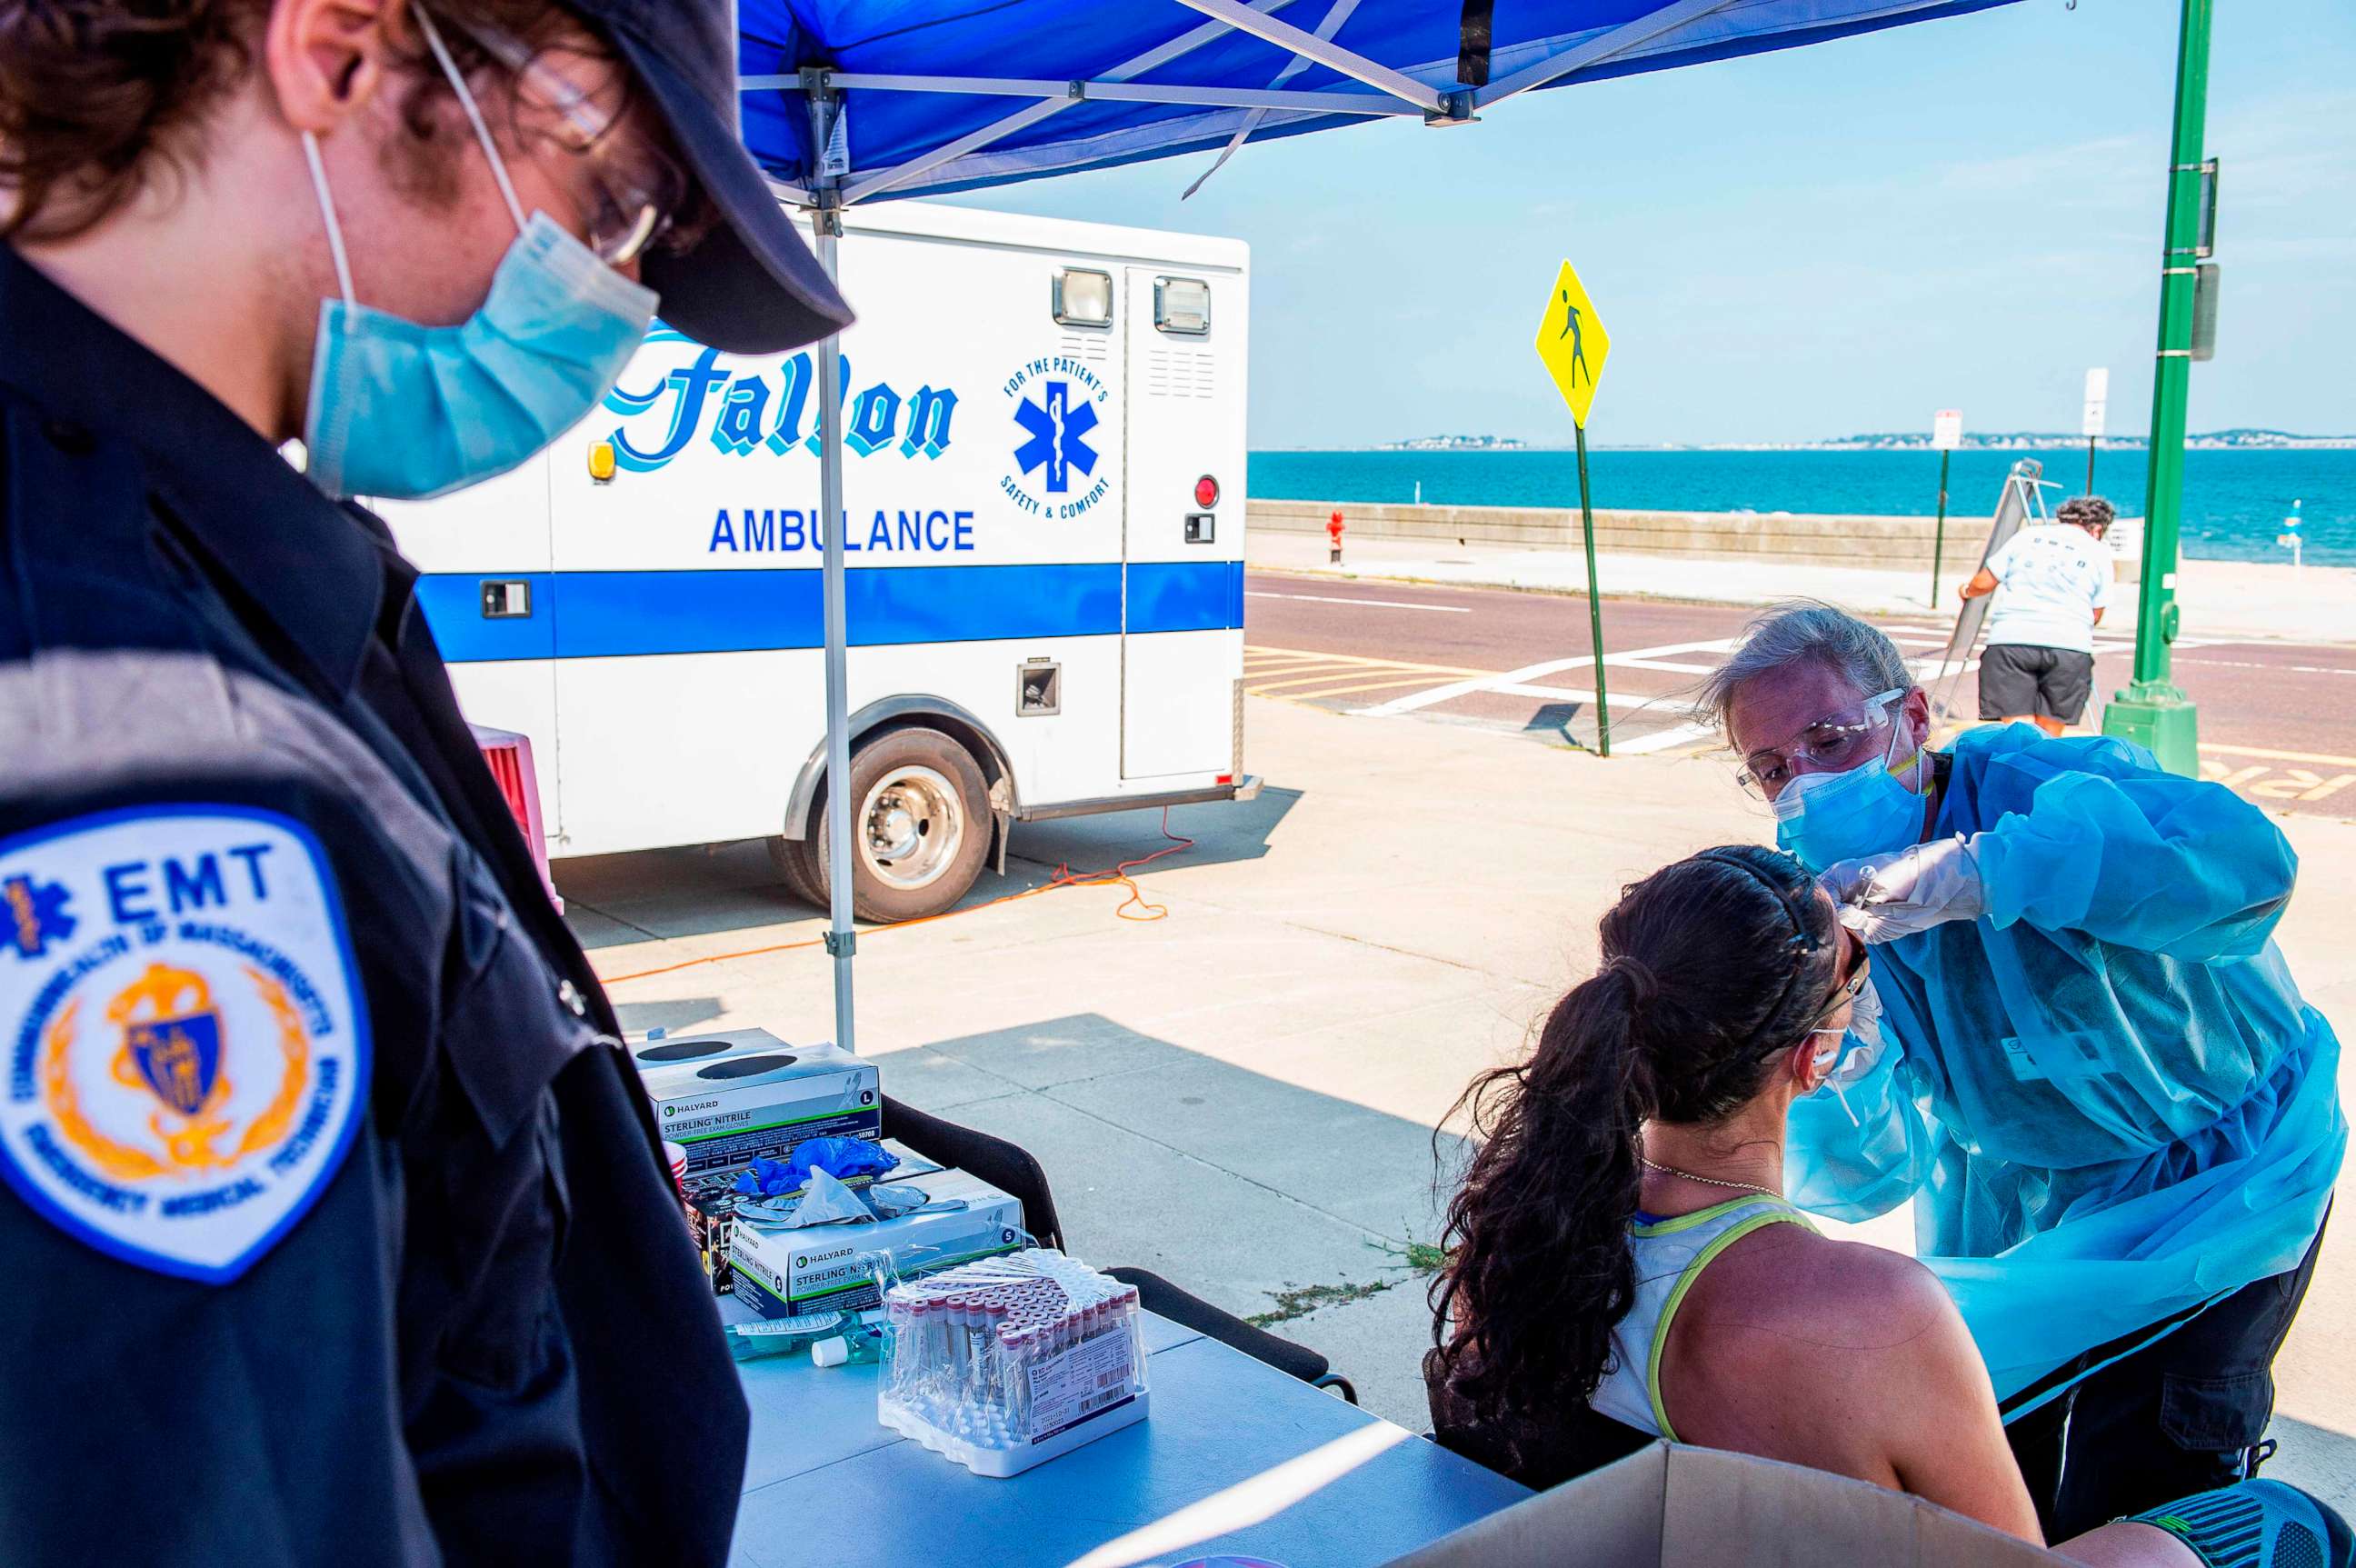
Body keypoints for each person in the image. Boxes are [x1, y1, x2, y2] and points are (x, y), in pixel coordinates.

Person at [0, 0, 850, 1562]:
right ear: (338, 53)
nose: (619, 298)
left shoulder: (232, 573)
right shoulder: (107, 711)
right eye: (612, 197)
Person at [1423, 845, 2353, 1568]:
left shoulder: (1523, 1227)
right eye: (1858, 974)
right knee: (2278, 1520)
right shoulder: (1871, 1315)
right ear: (1814, 1057)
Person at [1702, 603, 2342, 1541]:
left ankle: (2258, 1534)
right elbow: (1863, 1163)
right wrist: (1846, 1049)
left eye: (1830, 739)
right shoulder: (1824, 884)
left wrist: (1986, 871)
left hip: (2220, 1185)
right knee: (1988, 1472)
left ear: (1912, 717)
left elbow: (2243, 865)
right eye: (1771, 768)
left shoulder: (2041, 788)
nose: (1805, 782)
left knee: (2150, 1470)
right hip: (2019, 1204)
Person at [1962, 495, 2118, 736]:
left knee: (2018, 732)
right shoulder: (2098, 551)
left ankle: (2016, 769)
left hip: (2011, 638)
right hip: (2069, 645)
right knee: (2050, 733)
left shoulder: (2026, 537)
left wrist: (1966, 591)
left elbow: (1983, 582)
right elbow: (2096, 612)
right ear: (2097, 528)